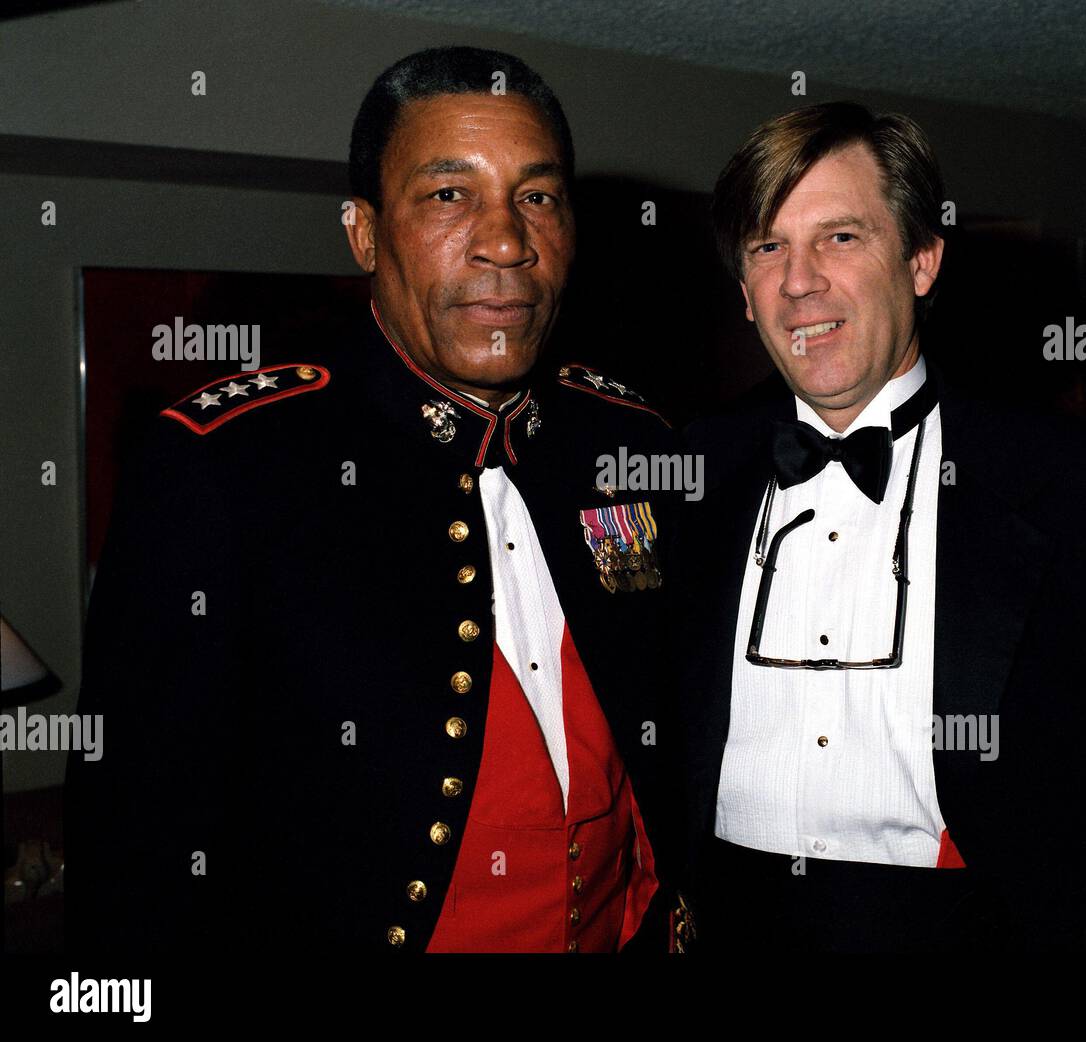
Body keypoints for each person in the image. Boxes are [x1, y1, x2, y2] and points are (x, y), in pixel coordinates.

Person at [66, 46, 681, 954]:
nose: (506, 241)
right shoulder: (228, 465)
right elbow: (133, 842)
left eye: (537, 196)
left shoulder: (631, 440)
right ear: (364, 233)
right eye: (448, 195)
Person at [673, 101, 1086, 952]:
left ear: (922, 261)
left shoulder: (1076, 482)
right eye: (768, 247)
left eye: (840, 237)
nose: (799, 279)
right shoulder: (687, 477)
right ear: (744, 291)